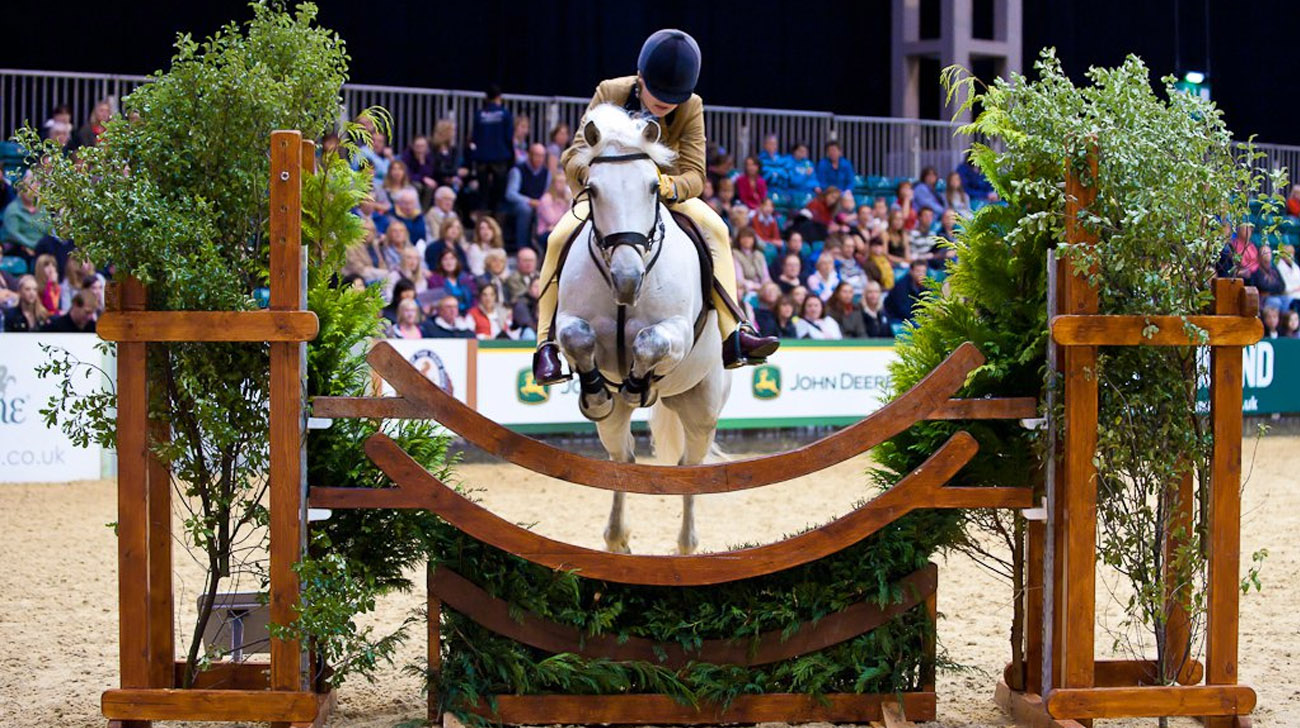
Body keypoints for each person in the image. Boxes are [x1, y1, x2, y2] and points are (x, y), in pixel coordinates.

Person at [531, 28, 779, 385]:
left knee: (720, 231)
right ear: (640, 77)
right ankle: (546, 346)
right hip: (612, 199)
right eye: (657, 93)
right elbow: (573, 156)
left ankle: (734, 332)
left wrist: (667, 186)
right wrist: (608, 179)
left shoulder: (691, 105)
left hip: (665, 196)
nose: (664, 103)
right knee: (559, 238)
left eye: (672, 98)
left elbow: (696, 174)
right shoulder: (610, 92)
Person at [470, 85, 515, 211]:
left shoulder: (479, 115)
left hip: (482, 158)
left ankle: (482, 223)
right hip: (500, 157)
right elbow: (508, 137)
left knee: (483, 195)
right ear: (499, 97)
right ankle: (495, 225)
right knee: (499, 196)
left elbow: (475, 137)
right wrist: (511, 156)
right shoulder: (505, 114)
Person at [504, 143, 551, 252]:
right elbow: (510, 194)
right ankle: (522, 247)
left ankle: (541, 246)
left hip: (539, 204)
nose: (540, 159)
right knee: (525, 209)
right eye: (537, 155)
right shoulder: (518, 170)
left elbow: (547, 193)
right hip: (516, 205)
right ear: (530, 155)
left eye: (542, 156)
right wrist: (529, 201)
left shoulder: (546, 173)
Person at [2, 173, 51, 267]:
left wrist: (42, 245)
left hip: (41, 247)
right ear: (21, 192)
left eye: (34, 189)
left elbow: (48, 229)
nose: (32, 192)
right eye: (28, 189)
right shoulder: (13, 210)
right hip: (20, 247)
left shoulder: (43, 208)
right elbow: (14, 235)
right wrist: (32, 246)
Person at [428, 248, 477, 313]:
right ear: (440, 263)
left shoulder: (466, 278)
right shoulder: (435, 280)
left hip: (468, 314)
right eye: (445, 259)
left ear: (457, 261)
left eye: (452, 258)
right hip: (445, 315)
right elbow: (435, 303)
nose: (449, 262)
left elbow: (474, 299)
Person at [536, 171, 573, 250]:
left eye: (564, 182)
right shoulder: (546, 199)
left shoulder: (567, 199)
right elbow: (552, 219)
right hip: (545, 232)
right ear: (553, 184)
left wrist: (567, 203)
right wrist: (564, 206)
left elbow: (571, 218)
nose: (562, 185)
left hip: (559, 229)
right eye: (559, 182)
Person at [732, 227, 770, 298]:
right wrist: (756, 286)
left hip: (762, 288)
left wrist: (765, 286)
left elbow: (766, 277)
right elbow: (739, 279)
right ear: (739, 240)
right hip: (746, 288)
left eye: (749, 237)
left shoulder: (759, 254)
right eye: (744, 237)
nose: (747, 240)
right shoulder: (735, 254)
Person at [429, 120, 467, 190]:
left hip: (451, 178)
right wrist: (454, 173)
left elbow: (455, 166)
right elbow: (434, 168)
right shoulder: (431, 148)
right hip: (435, 178)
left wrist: (452, 175)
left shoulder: (454, 149)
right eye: (452, 130)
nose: (454, 133)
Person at [402, 135, 439, 208]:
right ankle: (415, 209)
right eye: (417, 146)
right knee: (417, 186)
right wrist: (422, 178)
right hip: (410, 181)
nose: (420, 149)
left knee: (430, 188)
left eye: (422, 146)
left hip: (423, 181)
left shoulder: (428, 157)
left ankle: (423, 212)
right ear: (413, 146)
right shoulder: (407, 156)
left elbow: (429, 173)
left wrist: (422, 162)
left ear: (426, 147)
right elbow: (408, 174)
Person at [1251, 245, 1290, 312]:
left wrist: (1271, 289)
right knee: (1276, 302)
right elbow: (1263, 286)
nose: (1267, 255)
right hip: (1264, 299)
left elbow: (1282, 285)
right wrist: (1274, 287)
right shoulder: (1257, 272)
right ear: (1259, 256)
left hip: (1276, 295)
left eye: (1269, 252)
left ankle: (1284, 321)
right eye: (1265, 252)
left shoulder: (1274, 270)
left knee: (1288, 299)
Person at [1277, 243, 1300, 310]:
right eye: (1289, 253)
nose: (1291, 256)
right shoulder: (1279, 267)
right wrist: (1296, 289)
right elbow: (1285, 289)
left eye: (1292, 253)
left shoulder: (1295, 267)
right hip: (1288, 295)